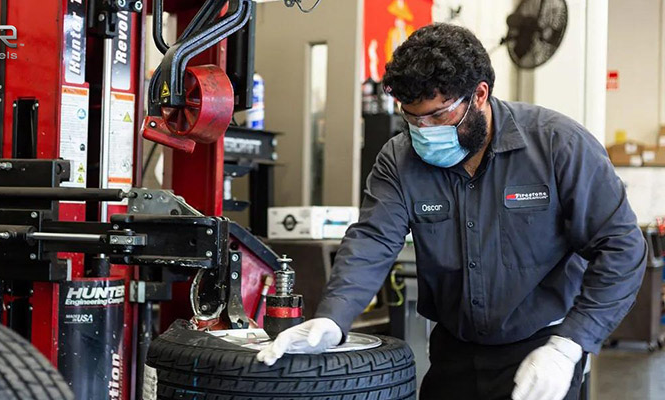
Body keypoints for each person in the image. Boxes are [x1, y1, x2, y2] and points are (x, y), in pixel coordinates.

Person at [256, 23, 647, 400]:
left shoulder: (558, 146)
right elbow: (373, 240)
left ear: (479, 95)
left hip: (542, 350)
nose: (424, 130)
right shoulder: (399, 158)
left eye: (438, 116)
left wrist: (571, 344)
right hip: (453, 352)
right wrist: (332, 318)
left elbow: (622, 248)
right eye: (412, 118)